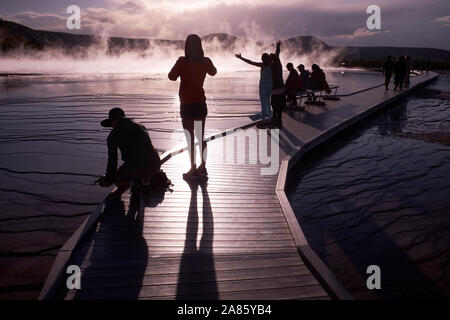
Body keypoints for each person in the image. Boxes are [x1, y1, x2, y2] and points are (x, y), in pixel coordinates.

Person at [169, 34, 217, 180]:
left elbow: (171, 76)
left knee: (189, 138)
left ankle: (193, 168)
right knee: (200, 137)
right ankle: (203, 167)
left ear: (187, 47)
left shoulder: (182, 62)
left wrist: (181, 64)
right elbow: (213, 72)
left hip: (187, 104)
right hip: (200, 103)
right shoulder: (206, 61)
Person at [97, 107, 161, 196]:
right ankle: (146, 178)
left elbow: (112, 160)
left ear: (112, 121)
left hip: (138, 168)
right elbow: (148, 147)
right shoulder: (140, 126)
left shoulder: (113, 136)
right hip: (155, 164)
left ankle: (135, 183)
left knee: (118, 178)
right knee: (145, 155)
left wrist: (109, 179)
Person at [235, 52, 272, 128]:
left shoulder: (262, 65)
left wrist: (241, 58)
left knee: (263, 103)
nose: (261, 60)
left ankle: (263, 121)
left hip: (263, 86)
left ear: (263, 59)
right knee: (268, 103)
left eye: (262, 58)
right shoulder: (272, 65)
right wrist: (278, 47)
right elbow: (277, 55)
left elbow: (251, 62)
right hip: (270, 86)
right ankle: (269, 120)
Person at [270, 40, 285, 128]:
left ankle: (276, 118)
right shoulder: (278, 64)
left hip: (276, 89)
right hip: (281, 88)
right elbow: (277, 54)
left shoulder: (273, 66)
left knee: (274, 104)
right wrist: (278, 46)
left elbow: (277, 54)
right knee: (278, 105)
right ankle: (277, 119)